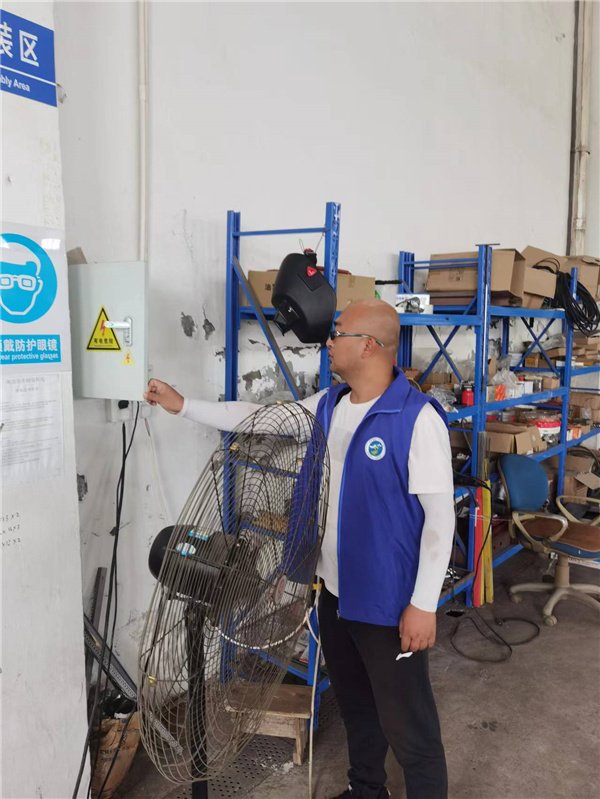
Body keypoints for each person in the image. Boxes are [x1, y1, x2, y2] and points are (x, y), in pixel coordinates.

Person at [145, 299, 454, 799]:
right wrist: (184, 406)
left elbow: (441, 520)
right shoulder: (329, 405)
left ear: (369, 346)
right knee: (357, 707)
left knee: (409, 725)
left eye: (338, 333)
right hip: (334, 595)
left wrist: (423, 604)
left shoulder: (417, 420)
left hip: (389, 604)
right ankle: (366, 790)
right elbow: (259, 418)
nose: (328, 342)